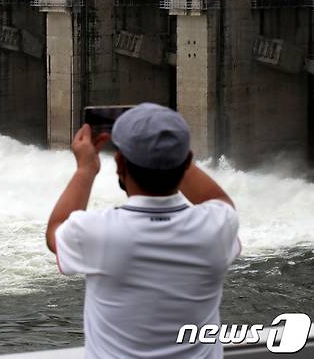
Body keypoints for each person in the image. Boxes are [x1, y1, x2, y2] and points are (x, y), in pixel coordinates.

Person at [45, 103, 241, 359]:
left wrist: (85, 169)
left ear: (119, 164)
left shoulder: (98, 231)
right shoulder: (216, 226)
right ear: (188, 161)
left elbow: (55, 229)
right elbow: (219, 200)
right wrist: (169, 151)